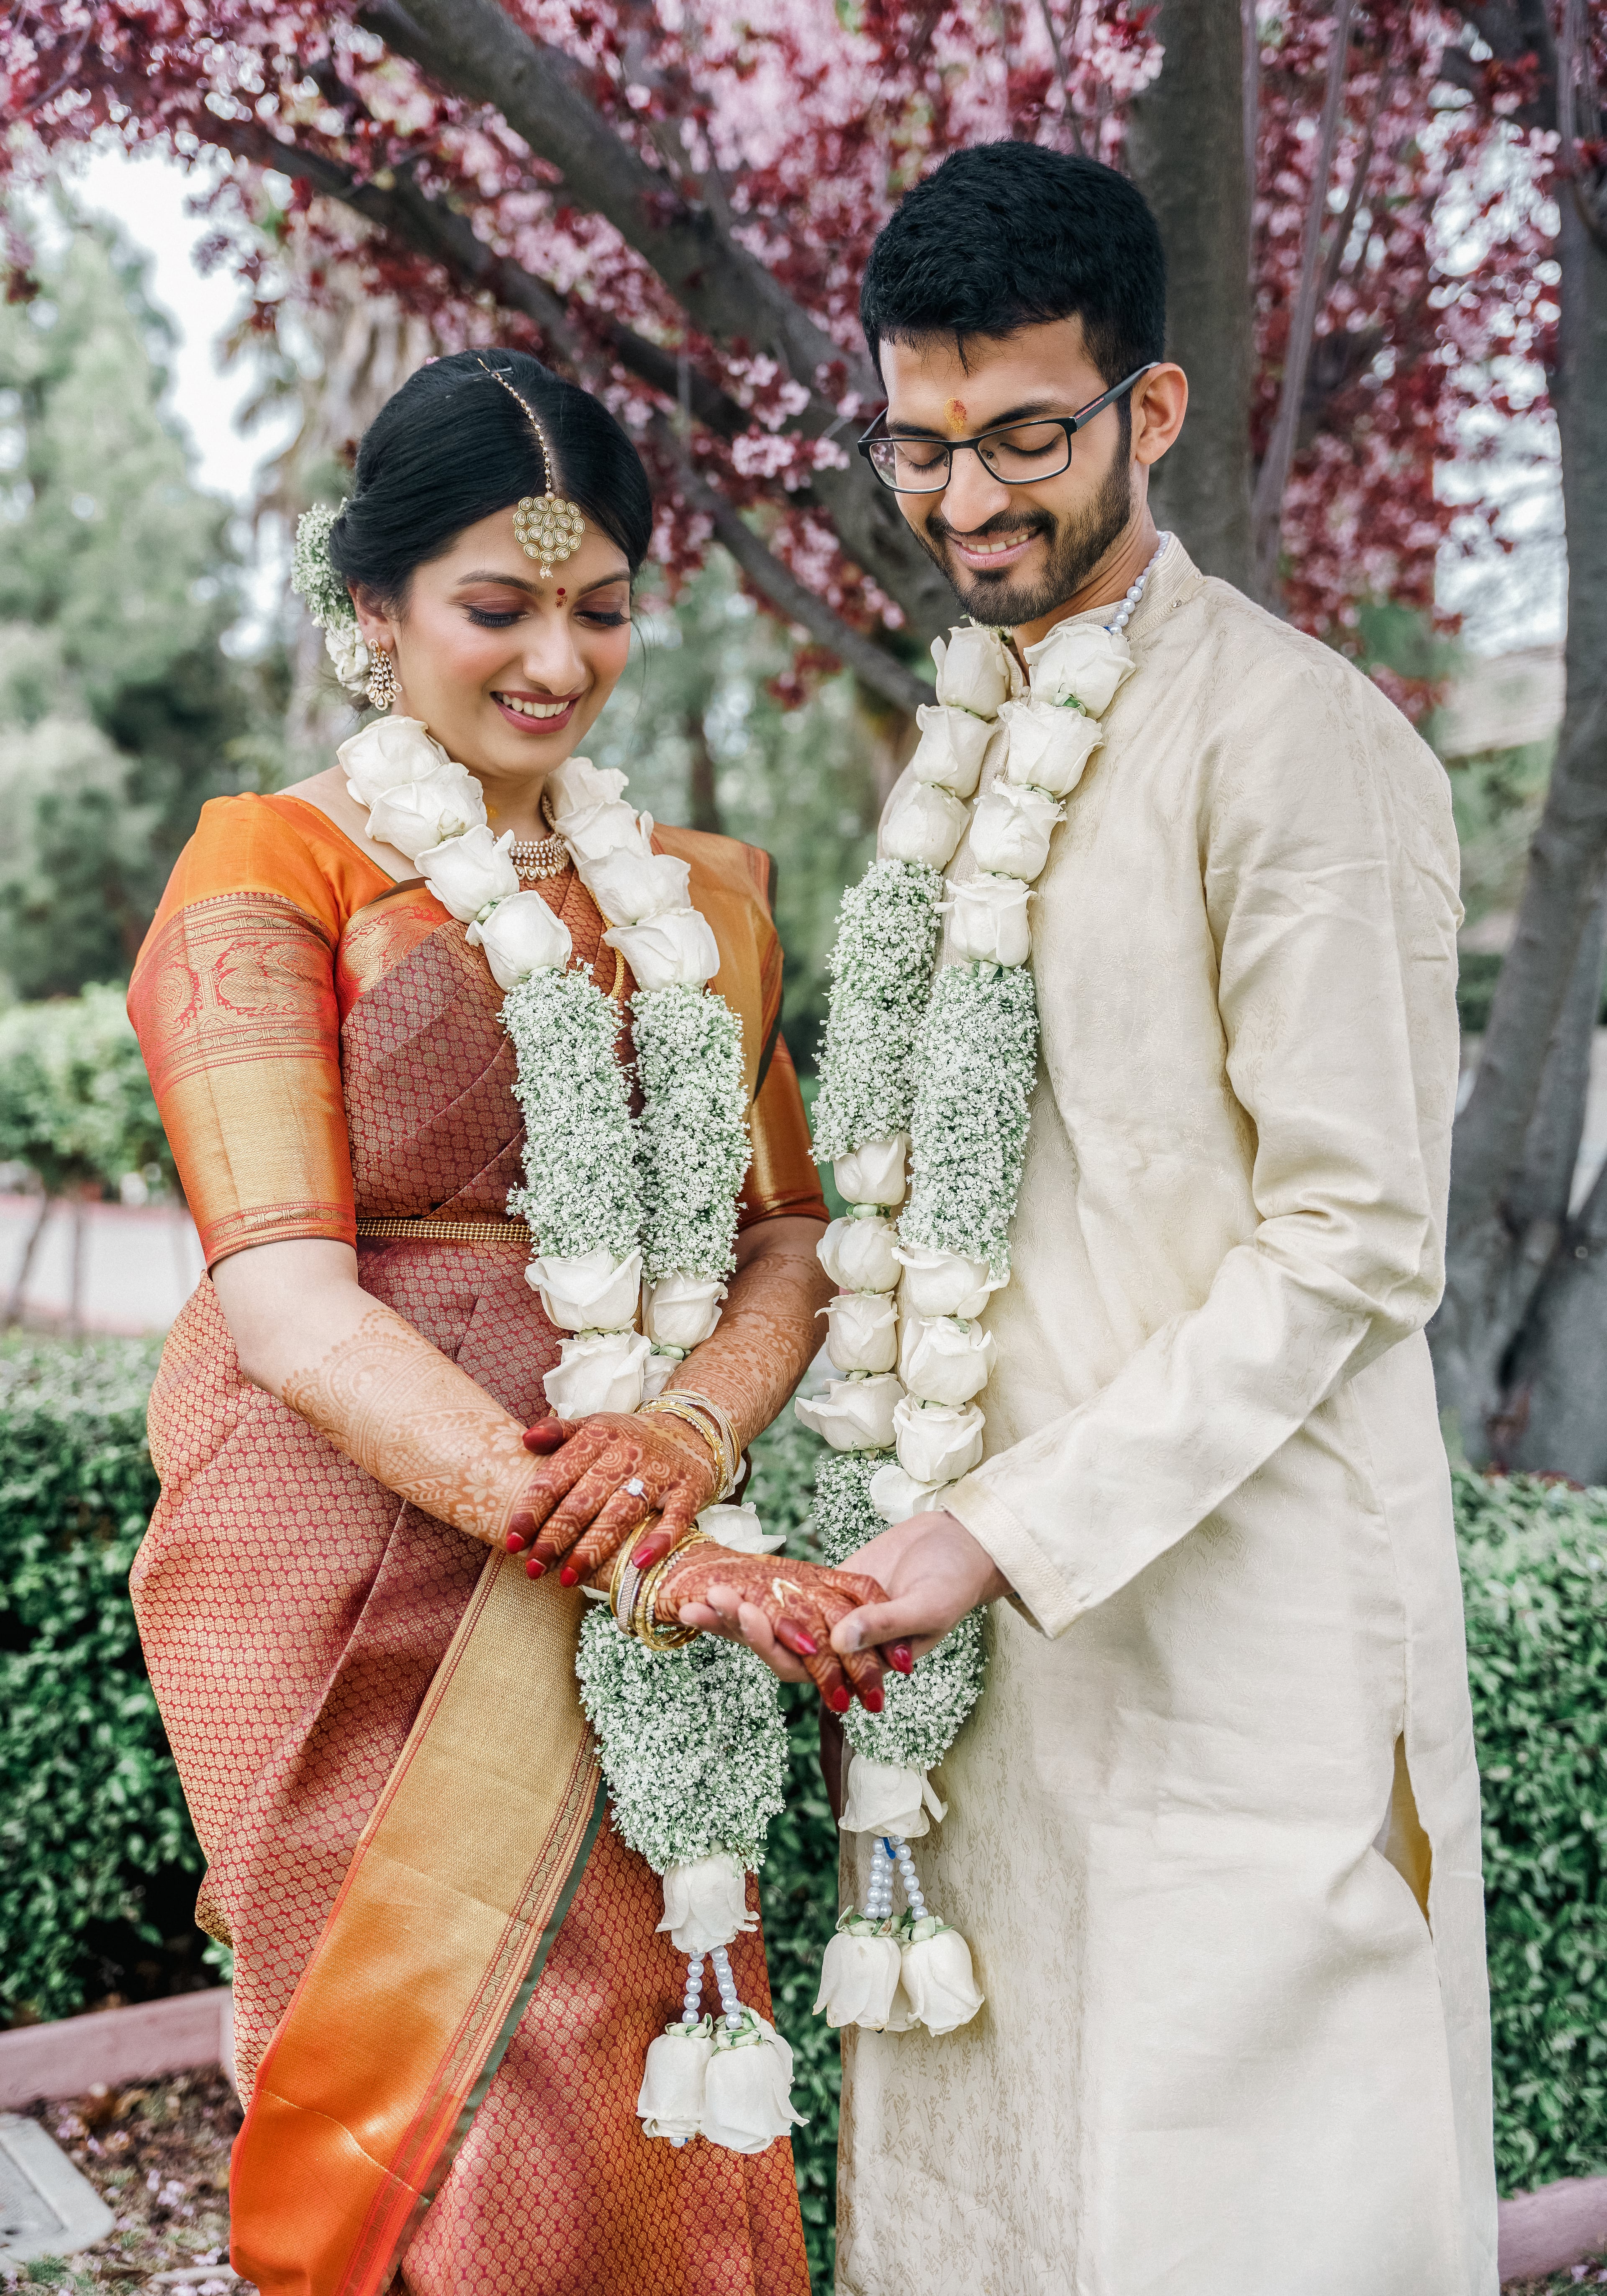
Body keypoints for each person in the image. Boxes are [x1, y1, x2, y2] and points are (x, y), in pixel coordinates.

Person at [701, 144, 1498, 2293]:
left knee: (1224, 2201)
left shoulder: (1300, 744)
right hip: (989, 1644)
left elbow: (1351, 1240)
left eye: (1023, 440)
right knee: (1002, 2193)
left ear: (1148, 413)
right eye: (920, 447)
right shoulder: (967, 740)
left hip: (1229, 1640)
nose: (963, 503)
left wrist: (1011, 1528)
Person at [126, 348, 885, 2296]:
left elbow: (786, 1233)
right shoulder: (267, 871)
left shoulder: (694, 899)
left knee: (644, 2039)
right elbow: (285, 1299)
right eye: (499, 604)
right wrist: (606, 1524)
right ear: (373, 612)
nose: (560, 657)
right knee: (440, 2087)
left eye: (604, 606)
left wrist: (686, 1445)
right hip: (344, 1553)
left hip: (643, 1533)